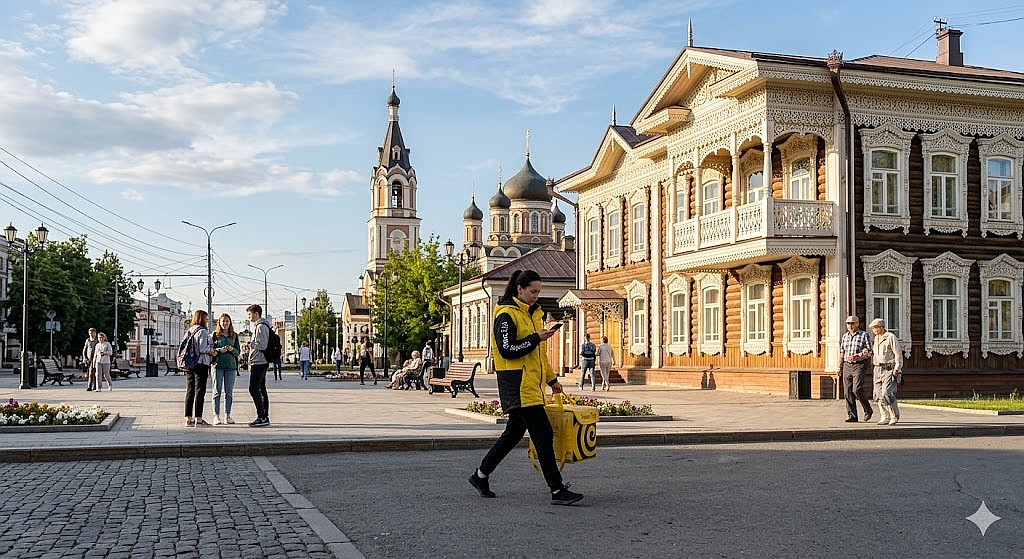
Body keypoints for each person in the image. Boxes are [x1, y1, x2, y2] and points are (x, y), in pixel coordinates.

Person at [469, 269, 584, 506]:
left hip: (530, 386)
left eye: (538, 292)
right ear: (519, 289)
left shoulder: (531, 315)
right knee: (543, 435)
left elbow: (538, 357)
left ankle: (480, 475)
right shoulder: (506, 315)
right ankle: (557, 489)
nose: (536, 296)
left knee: (512, 434)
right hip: (517, 385)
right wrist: (535, 338)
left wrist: (552, 380)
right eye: (533, 291)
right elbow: (507, 350)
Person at [183, 311, 218, 426]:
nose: (207, 321)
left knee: (190, 390)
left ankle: (188, 418)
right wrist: (211, 351)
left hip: (190, 364)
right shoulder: (202, 331)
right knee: (200, 391)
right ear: (202, 319)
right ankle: (198, 418)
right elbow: (203, 348)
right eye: (206, 319)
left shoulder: (190, 330)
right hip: (201, 363)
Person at [839, 315, 873, 423]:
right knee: (847, 391)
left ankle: (868, 410)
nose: (850, 325)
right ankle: (852, 415)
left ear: (857, 324)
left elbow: (869, 351)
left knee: (856, 388)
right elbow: (842, 352)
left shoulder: (863, 335)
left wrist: (858, 356)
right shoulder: (845, 336)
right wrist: (839, 367)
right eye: (848, 323)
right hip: (847, 365)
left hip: (858, 364)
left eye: (852, 323)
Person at [869, 318, 902, 426]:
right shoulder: (876, 339)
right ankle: (884, 416)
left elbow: (897, 354)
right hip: (877, 368)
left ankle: (894, 416)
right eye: (873, 328)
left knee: (886, 393)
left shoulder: (890, 337)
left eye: (876, 327)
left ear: (882, 327)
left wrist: (897, 368)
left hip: (889, 368)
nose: (874, 330)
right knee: (878, 395)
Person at [211, 313, 241, 425]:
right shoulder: (215, 335)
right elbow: (211, 350)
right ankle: (216, 415)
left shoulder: (234, 335)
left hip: (230, 367)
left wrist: (232, 349)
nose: (225, 323)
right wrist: (220, 350)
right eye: (223, 321)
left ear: (230, 322)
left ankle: (227, 415)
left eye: (227, 321)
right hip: (217, 366)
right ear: (219, 322)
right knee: (217, 391)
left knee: (229, 392)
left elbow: (238, 352)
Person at [246, 304, 272, 427]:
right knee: (261, 389)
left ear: (256, 314)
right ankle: (264, 416)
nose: (248, 317)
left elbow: (262, 345)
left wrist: (250, 344)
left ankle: (261, 416)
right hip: (260, 361)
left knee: (253, 389)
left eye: (250, 314)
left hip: (259, 362)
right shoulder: (260, 326)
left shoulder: (261, 326)